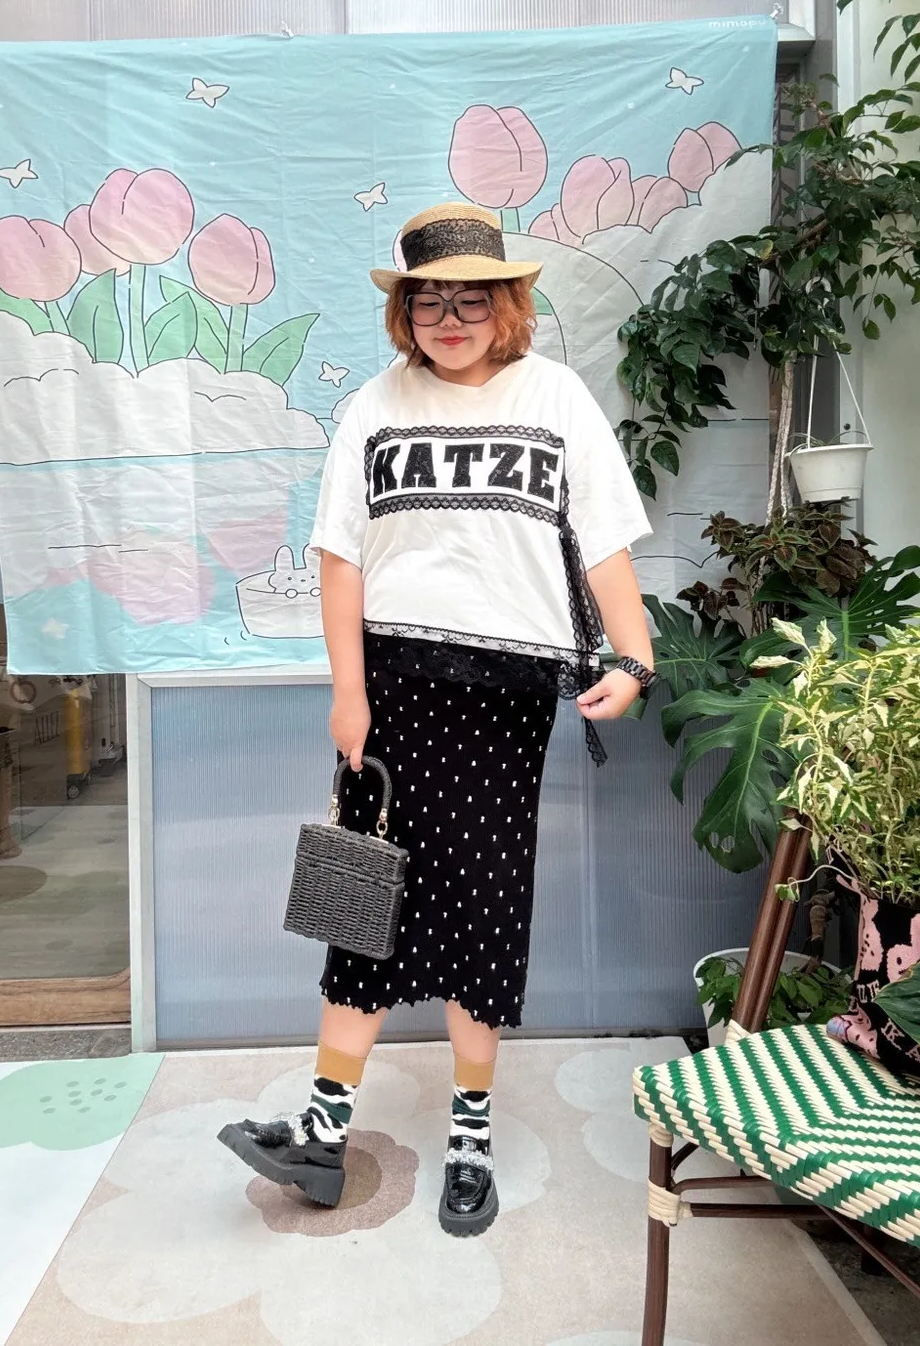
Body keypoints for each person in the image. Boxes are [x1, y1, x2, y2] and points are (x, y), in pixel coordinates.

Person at [219, 201, 655, 1237]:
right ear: (403, 312)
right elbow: (340, 555)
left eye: (470, 300)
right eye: (428, 301)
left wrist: (634, 655)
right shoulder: (374, 406)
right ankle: (321, 1132)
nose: (449, 320)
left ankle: (469, 1138)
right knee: (357, 894)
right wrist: (349, 690)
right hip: (395, 687)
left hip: (504, 696)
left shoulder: (555, 397)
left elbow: (602, 538)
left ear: (507, 306)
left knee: (485, 906)